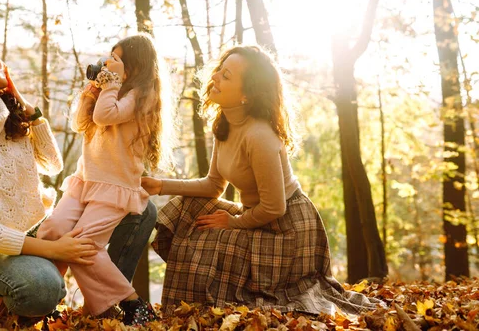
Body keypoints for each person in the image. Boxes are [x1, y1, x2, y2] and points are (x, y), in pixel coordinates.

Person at [0, 28, 157, 321]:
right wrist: (56, 248)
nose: (2, 61)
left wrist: (27, 110)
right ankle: (118, 304)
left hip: (37, 231)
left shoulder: (6, 113)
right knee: (42, 286)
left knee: (144, 211)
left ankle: (106, 311)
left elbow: (52, 163)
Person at [141, 45, 383, 315]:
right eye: (219, 70)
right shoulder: (225, 125)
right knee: (187, 207)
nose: (216, 78)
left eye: (227, 76)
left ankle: (200, 311)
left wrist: (232, 223)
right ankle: (185, 311)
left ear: (247, 94)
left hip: (287, 230)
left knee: (208, 238)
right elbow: (213, 185)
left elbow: (274, 208)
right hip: (256, 218)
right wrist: (160, 186)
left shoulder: (259, 135)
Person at [37, 34, 174, 326]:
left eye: (118, 60)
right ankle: (47, 295)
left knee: (85, 244)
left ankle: (133, 303)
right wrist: (92, 91)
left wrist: (111, 84)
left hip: (115, 186)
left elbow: (105, 117)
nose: (110, 64)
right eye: (110, 58)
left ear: (135, 66)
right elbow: (80, 123)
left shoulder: (141, 96)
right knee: (52, 231)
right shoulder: (112, 90)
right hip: (85, 179)